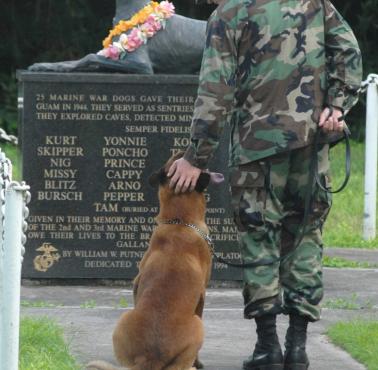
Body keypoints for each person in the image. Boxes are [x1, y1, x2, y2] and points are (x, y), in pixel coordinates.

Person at [168, 0, 362, 369]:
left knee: (259, 239)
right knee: (305, 237)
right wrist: (336, 107)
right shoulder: (314, 3)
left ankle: (268, 348)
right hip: (311, 145)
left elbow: (215, 91)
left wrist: (196, 157)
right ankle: (298, 348)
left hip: (257, 149)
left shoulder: (228, 15)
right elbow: (349, 52)